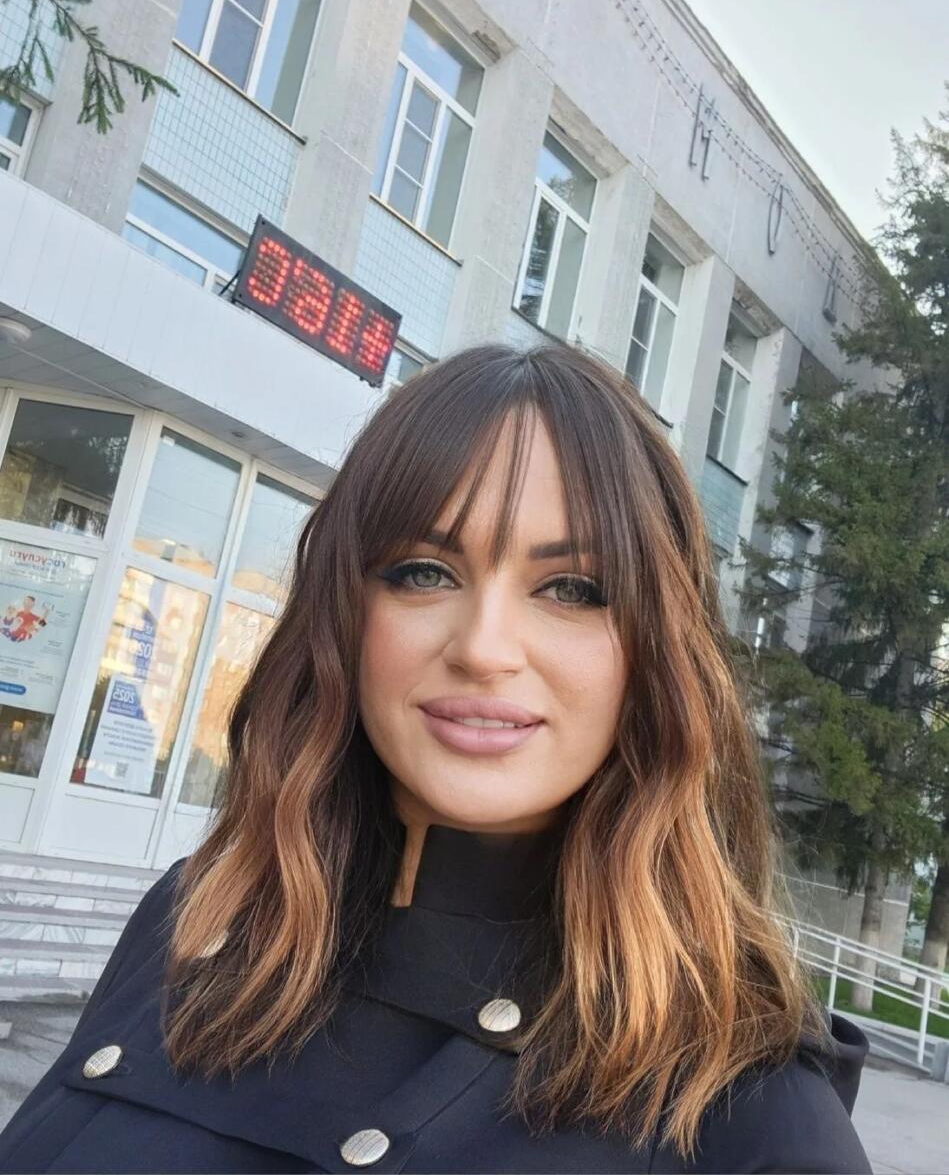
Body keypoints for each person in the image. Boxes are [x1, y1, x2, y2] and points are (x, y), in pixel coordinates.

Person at [0, 344, 872, 1173]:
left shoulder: (746, 1101)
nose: (484, 649)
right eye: (423, 572)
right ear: (344, 611)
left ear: (659, 651)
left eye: (572, 589)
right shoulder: (194, 921)